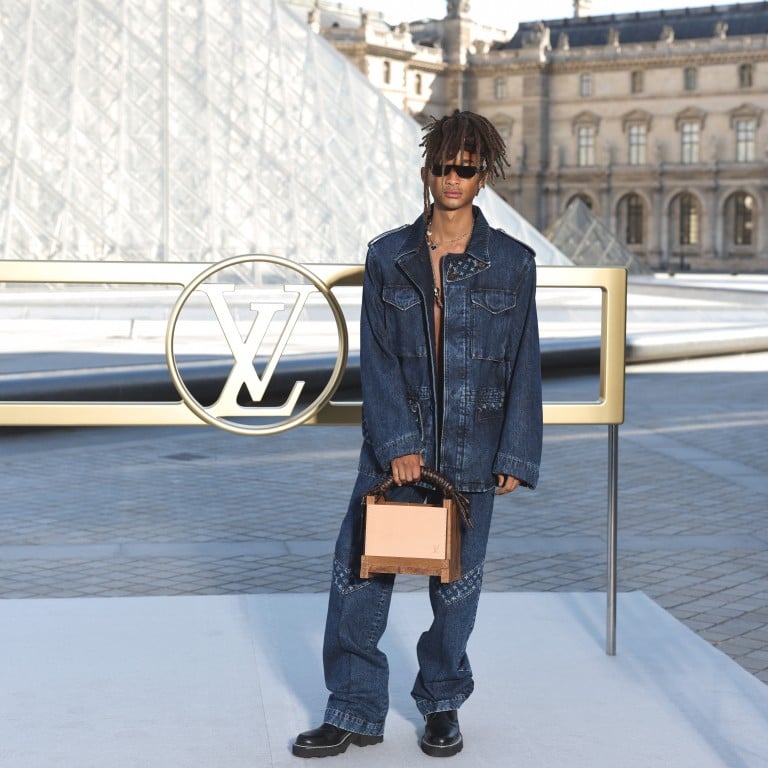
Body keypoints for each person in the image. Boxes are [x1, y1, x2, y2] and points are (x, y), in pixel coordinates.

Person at [293, 110, 543, 759]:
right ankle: (352, 707)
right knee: (359, 574)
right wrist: (398, 441)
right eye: (442, 166)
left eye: (466, 167)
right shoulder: (388, 257)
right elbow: (374, 360)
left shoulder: (514, 263)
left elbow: (524, 360)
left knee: (457, 588)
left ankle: (441, 704)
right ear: (427, 168)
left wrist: (516, 451)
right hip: (395, 450)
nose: (452, 178)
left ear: (482, 174)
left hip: (475, 444)